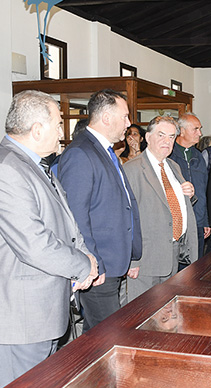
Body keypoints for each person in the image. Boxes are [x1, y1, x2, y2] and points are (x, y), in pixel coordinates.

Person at [0, 90, 98, 388]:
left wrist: (86, 256)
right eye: (57, 125)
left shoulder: (33, 164)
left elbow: (66, 222)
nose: (61, 133)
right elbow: (35, 245)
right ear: (37, 129)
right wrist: (83, 266)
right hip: (20, 317)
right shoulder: (4, 169)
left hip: (42, 311)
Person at [58, 89, 143, 332]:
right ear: (106, 118)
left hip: (114, 261)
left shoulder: (104, 150)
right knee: (108, 335)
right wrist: (93, 263)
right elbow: (75, 216)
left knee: (99, 333)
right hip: (99, 264)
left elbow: (123, 203)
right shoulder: (81, 152)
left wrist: (131, 255)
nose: (128, 123)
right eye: (124, 117)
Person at [123, 116, 198, 302]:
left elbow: (169, 203)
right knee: (142, 312)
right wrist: (132, 260)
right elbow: (125, 218)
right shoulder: (132, 169)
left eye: (171, 137)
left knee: (166, 311)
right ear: (148, 137)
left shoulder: (173, 166)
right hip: (145, 259)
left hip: (173, 254)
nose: (167, 141)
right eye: (161, 135)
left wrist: (188, 194)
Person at [169, 113, 210, 261]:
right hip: (176, 222)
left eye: (200, 129)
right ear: (181, 131)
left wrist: (205, 221)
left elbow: (204, 189)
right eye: (195, 129)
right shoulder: (169, 155)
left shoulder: (198, 156)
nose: (200, 133)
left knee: (196, 264)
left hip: (197, 221)